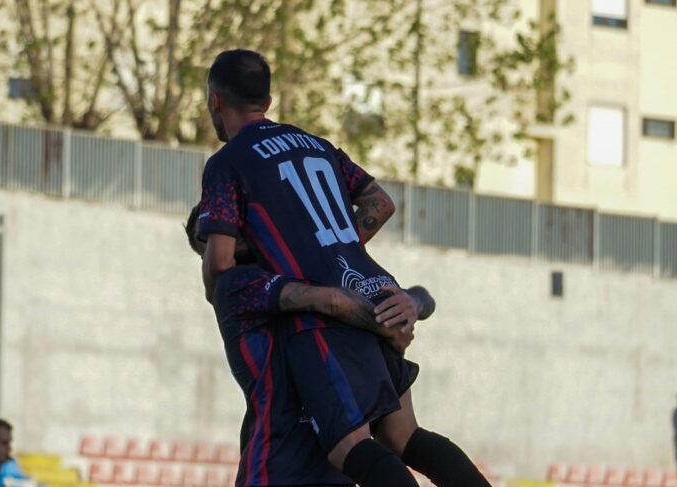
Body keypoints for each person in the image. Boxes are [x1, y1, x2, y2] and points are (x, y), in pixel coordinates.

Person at [196, 49, 490, 487]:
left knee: (348, 445)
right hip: (374, 286)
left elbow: (219, 266)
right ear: (269, 102)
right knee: (405, 436)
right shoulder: (317, 145)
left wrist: (232, 284)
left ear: (215, 101)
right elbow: (380, 202)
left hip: (325, 320)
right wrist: (336, 244)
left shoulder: (228, 162)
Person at [186, 209, 430, 486]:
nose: (229, 236)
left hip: (335, 470)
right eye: (213, 237)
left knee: (409, 441)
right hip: (278, 469)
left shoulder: (310, 271)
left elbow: (412, 296)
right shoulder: (238, 287)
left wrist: (412, 303)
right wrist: (388, 324)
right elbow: (334, 301)